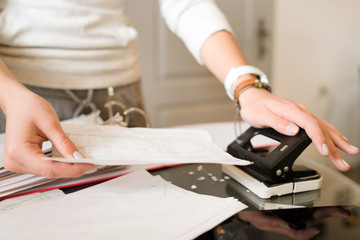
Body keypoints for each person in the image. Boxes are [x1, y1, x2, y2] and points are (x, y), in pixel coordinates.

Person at [0, 0, 358, 178]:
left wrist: (246, 84)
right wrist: (10, 94)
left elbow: (186, 4)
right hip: (24, 102)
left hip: (121, 98)